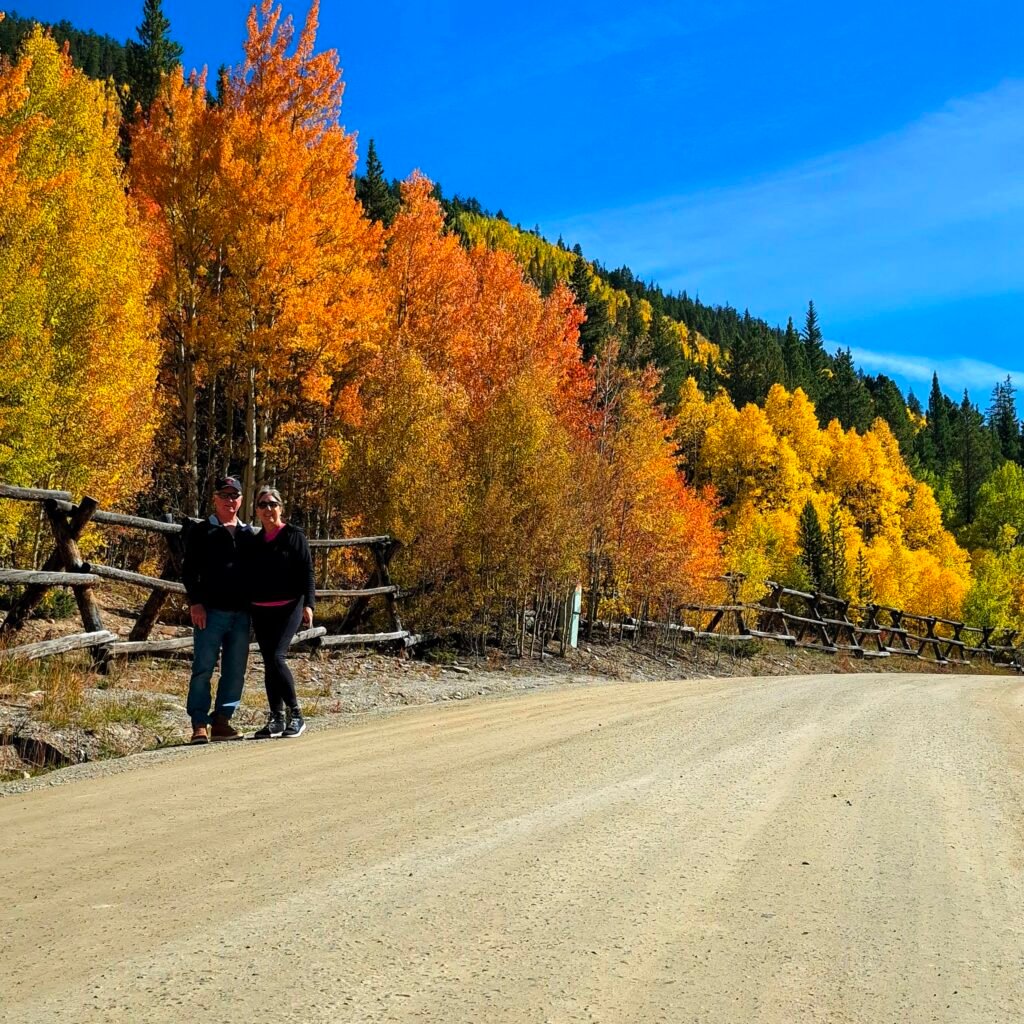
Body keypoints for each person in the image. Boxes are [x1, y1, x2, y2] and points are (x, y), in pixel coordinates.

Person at [182, 475, 254, 744]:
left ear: (240, 500)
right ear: (215, 499)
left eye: (234, 496)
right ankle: (199, 723)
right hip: (210, 612)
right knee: (203, 668)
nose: (229, 500)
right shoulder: (203, 531)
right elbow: (188, 570)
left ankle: (222, 721)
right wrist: (196, 603)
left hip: (241, 614)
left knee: (235, 670)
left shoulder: (248, 534)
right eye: (224, 496)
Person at [248, 485, 316, 739]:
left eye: (272, 504)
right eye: (263, 505)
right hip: (261, 610)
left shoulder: (294, 536)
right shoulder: (255, 543)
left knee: (277, 658)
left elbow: (307, 571)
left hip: (289, 607)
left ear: (281, 507)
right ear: (256, 510)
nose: (268, 509)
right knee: (269, 664)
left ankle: (296, 714)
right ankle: (276, 717)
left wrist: (309, 604)